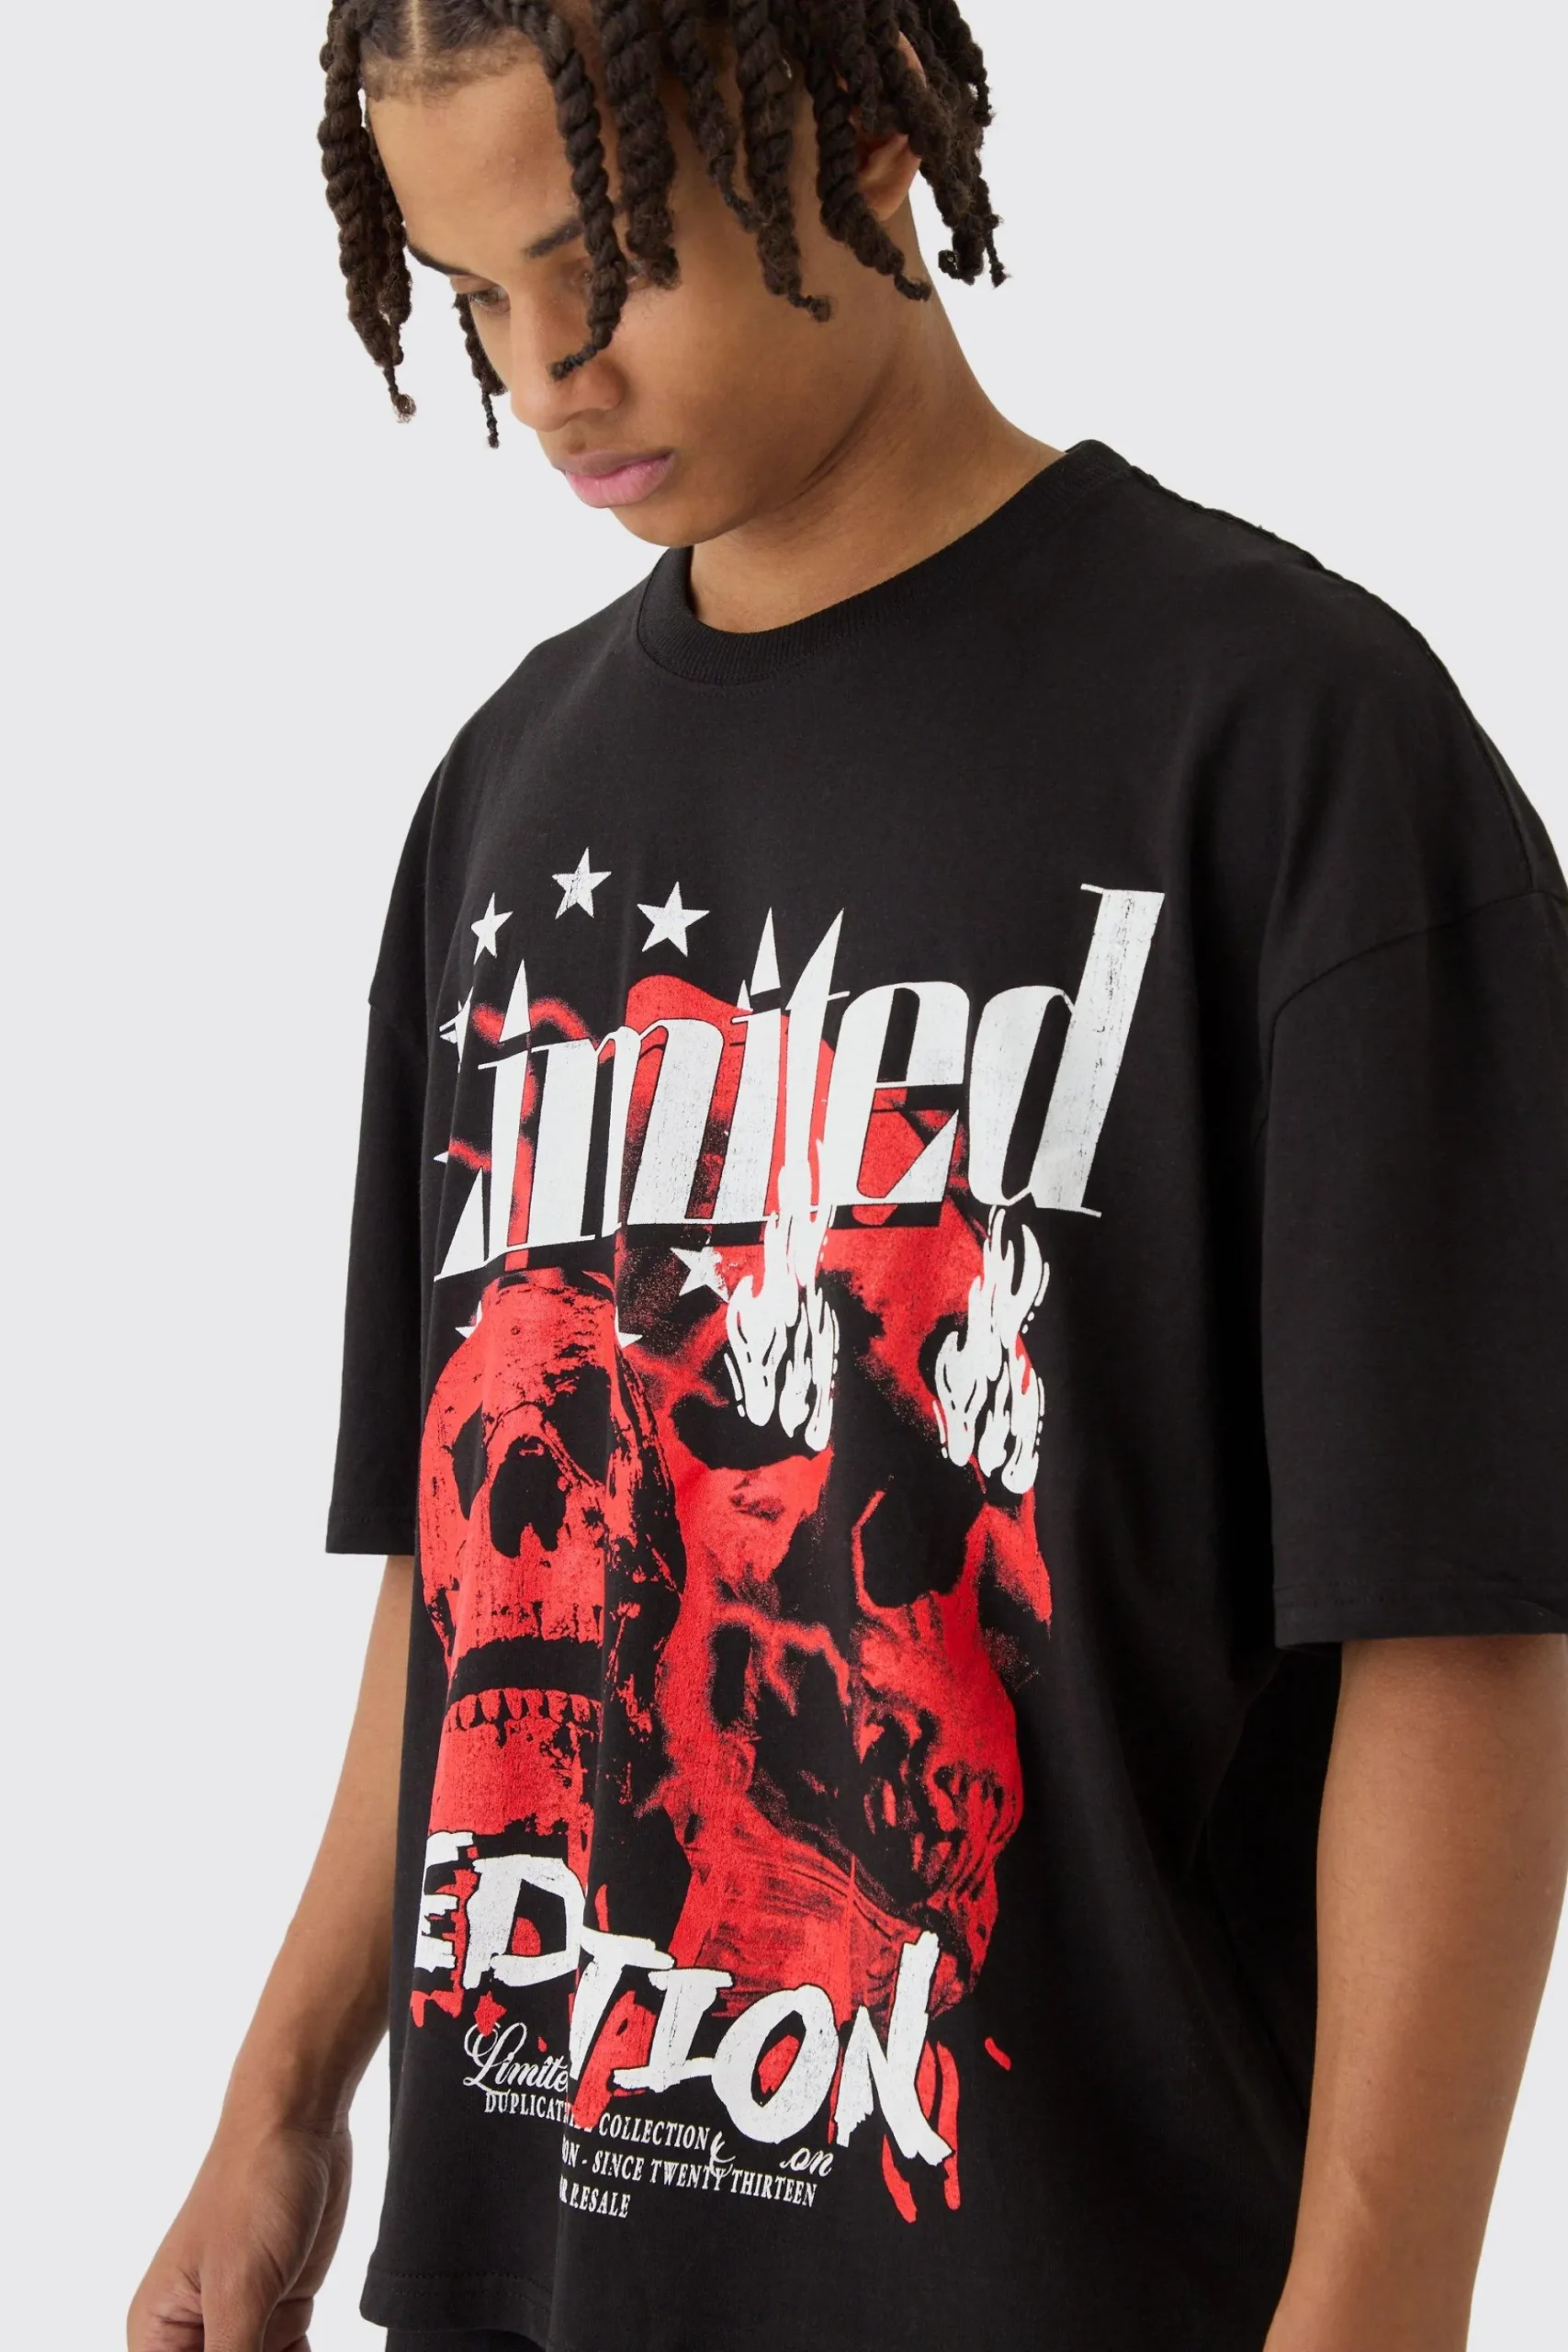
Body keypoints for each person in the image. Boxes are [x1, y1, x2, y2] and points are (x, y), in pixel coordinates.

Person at [130, 5, 1568, 2350]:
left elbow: (1457, 1623)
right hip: (540, 2263)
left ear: (871, 138)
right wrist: (281, 2097)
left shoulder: (1284, 747)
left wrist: (1376, 2312)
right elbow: (453, 1564)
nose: (549, 374)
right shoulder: (506, 793)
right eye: (473, 297)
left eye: (602, 260)